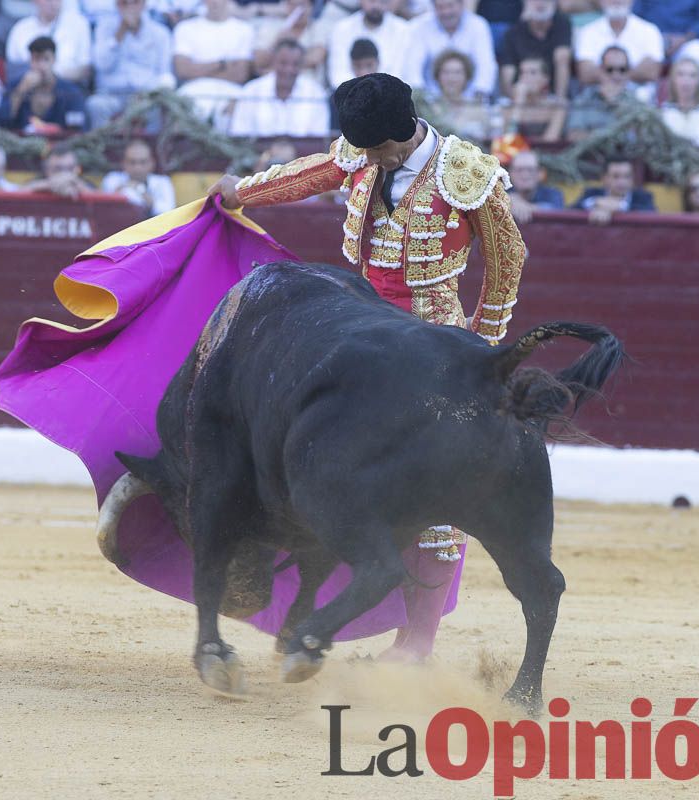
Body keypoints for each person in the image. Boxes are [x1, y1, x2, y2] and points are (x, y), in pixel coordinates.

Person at [209, 72, 527, 661]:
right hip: (359, 325)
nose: (370, 161)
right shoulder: (363, 152)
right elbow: (311, 173)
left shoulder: (468, 174)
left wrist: (483, 345)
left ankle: (420, 639)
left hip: (435, 340)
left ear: (404, 137)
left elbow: (508, 258)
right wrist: (244, 191)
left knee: (436, 488)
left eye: (378, 152)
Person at [88, 0, 175, 129]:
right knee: (96, 105)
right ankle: (100, 148)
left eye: (134, 2)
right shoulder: (104, 28)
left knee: (156, 107)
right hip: (111, 94)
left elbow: (165, 74)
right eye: (124, 3)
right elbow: (101, 64)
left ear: (144, 4)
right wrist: (119, 34)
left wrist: (150, 94)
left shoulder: (160, 33)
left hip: (146, 95)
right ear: (117, 5)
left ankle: (152, 148)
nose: (129, 7)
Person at [173, 0, 255, 123]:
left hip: (232, 93)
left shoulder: (244, 29)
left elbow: (240, 74)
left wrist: (197, 68)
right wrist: (222, 64)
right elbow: (183, 70)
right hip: (192, 92)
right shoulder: (185, 28)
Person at [227, 40, 330, 137]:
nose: (289, 70)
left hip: (304, 155)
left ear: (302, 66)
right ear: (273, 62)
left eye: (295, 64)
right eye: (283, 63)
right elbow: (239, 135)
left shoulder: (316, 93)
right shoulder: (251, 90)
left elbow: (318, 140)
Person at [402, 0, 499, 97]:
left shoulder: (478, 25)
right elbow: (413, 66)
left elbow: (485, 64)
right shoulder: (418, 26)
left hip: (470, 98)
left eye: (450, 6)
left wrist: (479, 94)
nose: (446, 12)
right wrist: (420, 98)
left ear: (462, 4)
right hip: (430, 99)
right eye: (440, 7)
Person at [0, 36, 88, 132]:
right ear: (30, 61)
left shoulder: (71, 92)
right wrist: (21, 90)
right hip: (21, 144)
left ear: (54, 60)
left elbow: (78, 131)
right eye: (36, 60)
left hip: (60, 144)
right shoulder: (15, 86)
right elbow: (0, 123)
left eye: (46, 59)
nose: (41, 66)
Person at [574, 0, 664, 86]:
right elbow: (585, 73)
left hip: (639, 98)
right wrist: (627, 75)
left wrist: (610, 77)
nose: (616, 0)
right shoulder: (587, 32)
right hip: (597, 98)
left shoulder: (649, 30)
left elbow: (652, 71)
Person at [498, 0, 573, 98]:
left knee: (562, 56)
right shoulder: (513, 33)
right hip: (522, 93)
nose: (540, 4)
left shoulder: (562, 24)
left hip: (552, 94)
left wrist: (559, 100)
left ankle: (561, 100)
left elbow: (563, 58)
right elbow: (508, 72)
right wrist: (516, 99)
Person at [327, 0, 409, 89]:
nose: (376, 6)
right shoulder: (342, 29)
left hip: (390, 94)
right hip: (350, 95)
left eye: (382, 1)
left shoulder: (402, 30)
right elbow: (338, 75)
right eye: (371, 1)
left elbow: (400, 74)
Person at [6, 0, 93, 84]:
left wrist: (52, 75)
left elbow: (85, 70)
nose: (53, 3)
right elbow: (12, 69)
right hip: (29, 89)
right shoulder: (20, 29)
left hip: (66, 89)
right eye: (48, 0)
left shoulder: (78, 24)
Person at [566, 45, 643, 141]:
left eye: (622, 70)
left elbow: (642, 139)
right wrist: (609, 139)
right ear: (600, 70)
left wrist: (619, 106)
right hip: (591, 155)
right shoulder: (583, 100)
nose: (616, 75)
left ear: (628, 72)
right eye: (609, 70)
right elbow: (573, 135)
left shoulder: (638, 103)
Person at [417, 51, 495, 141]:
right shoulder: (427, 109)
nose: (452, 78)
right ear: (437, 76)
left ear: (467, 76)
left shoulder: (478, 109)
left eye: (457, 73)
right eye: (446, 72)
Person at [101, 139, 176, 216]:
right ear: (123, 163)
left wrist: (140, 190)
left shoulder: (163, 182)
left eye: (142, 162)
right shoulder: (112, 178)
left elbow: (169, 211)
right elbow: (106, 207)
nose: (137, 168)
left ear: (152, 163)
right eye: (132, 162)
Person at [500, 57, 567, 142]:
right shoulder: (508, 107)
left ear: (545, 79)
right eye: (522, 73)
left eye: (532, 72)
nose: (525, 77)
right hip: (515, 153)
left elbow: (549, 141)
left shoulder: (557, 107)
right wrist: (519, 102)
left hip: (546, 154)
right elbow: (507, 140)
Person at [571, 157, 656, 224]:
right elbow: (570, 211)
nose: (622, 182)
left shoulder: (643, 196)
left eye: (627, 176)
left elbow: (651, 214)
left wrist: (620, 206)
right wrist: (595, 202)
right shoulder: (592, 193)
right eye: (616, 176)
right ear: (604, 178)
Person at [660, 57, 699, 147]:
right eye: (680, 74)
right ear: (673, 79)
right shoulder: (664, 111)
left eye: (692, 75)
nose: (686, 80)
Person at [633, 0, 699, 64]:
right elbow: (635, 16)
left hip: (684, 41)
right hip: (650, 38)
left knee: (696, 51)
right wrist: (654, 37)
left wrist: (683, 39)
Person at [506, 149, 564, 223]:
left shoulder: (553, 193)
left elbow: (556, 210)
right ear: (510, 173)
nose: (525, 175)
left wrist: (524, 206)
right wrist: (509, 199)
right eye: (519, 170)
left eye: (530, 170)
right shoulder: (502, 192)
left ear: (540, 174)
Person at [22, 142, 96, 198]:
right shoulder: (36, 181)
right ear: (46, 169)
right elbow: (14, 198)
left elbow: (103, 202)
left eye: (69, 169)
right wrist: (47, 185)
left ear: (77, 168)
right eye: (58, 169)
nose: (64, 174)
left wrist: (80, 186)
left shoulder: (85, 183)